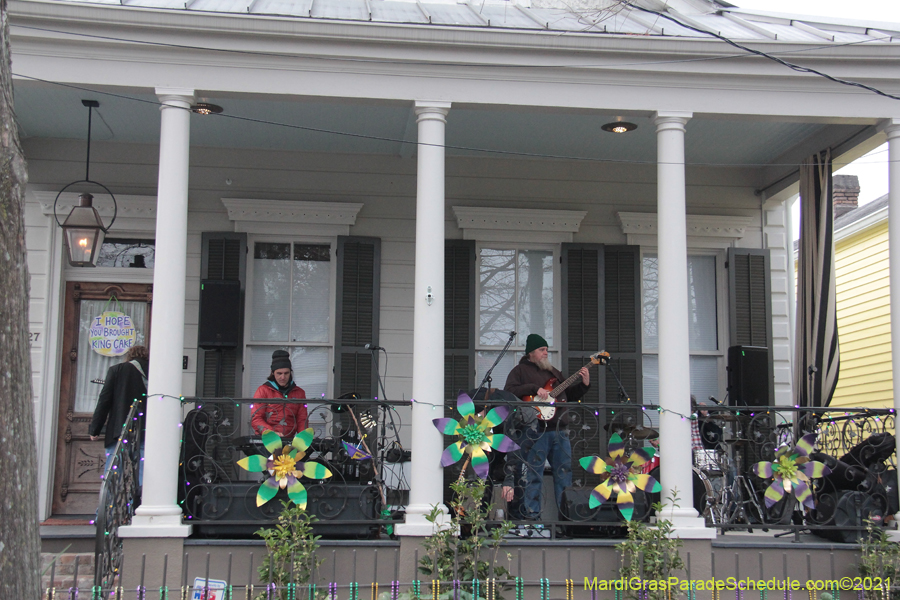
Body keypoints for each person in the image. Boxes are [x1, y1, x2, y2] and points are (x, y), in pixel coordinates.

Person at [502, 333, 590, 528]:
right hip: (536, 430)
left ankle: (565, 520)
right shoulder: (519, 371)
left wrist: (584, 385)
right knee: (534, 474)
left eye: (546, 350)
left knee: (564, 474)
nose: (545, 353)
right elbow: (509, 391)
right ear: (531, 352)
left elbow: (569, 396)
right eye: (542, 350)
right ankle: (533, 520)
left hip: (560, 430)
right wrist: (534, 389)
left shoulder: (555, 373)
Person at [89, 345, 149, 479]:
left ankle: (109, 499)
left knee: (113, 469)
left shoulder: (117, 370)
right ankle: (141, 498)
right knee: (143, 469)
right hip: (147, 428)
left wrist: (95, 429)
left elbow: (104, 401)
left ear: (129, 356)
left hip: (120, 428)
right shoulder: (156, 372)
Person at [251, 349, 308, 436]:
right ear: (272, 373)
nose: (283, 377)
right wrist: (271, 433)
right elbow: (256, 418)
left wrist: (303, 439)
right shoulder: (262, 390)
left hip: (289, 441)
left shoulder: (300, 393)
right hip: (266, 440)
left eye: (286, 373)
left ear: (290, 373)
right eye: (279, 373)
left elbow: (302, 420)